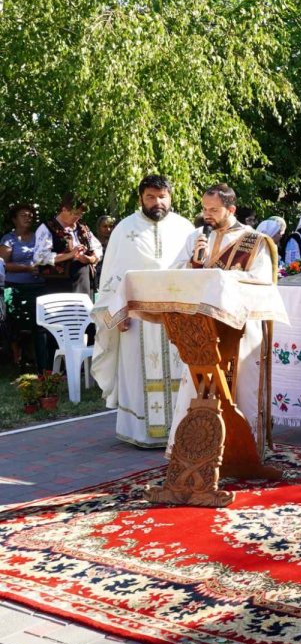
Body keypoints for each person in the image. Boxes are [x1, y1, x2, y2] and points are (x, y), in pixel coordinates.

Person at [167, 184, 275, 454]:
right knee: (199, 387)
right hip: (202, 328)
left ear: (231, 209)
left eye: (214, 210)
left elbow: (260, 281)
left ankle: (243, 450)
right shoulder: (196, 237)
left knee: (241, 389)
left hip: (239, 329)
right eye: (204, 209)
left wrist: (221, 278)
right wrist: (193, 263)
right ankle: (194, 449)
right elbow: (174, 273)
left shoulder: (254, 241)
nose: (207, 215)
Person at [91, 175, 195, 447]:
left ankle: (181, 431)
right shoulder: (125, 229)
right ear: (141, 198)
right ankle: (140, 432)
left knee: (179, 370)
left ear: (170, 197)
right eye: (150, 196)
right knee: (138, 374)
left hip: (176, 315)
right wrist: (117, 313)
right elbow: (111, 277)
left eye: (162, 196)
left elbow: (195, 272)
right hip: (136, 317)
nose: (157, 202)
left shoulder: (185, 228)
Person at [0, 204, 44, 369]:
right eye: (23, 215)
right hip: (16, 287)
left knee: (38, 324)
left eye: (30, 215)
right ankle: (17, 359)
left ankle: (35, 358)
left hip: (39, 286)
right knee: (16, 324)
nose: (28, 217)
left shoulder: (38, 237)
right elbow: (2, 264)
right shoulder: (8, 239)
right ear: (14, 219)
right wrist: (27, 268)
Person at [33, 192, 103, 295]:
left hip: (84, 285)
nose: (77, 217)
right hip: (59, 287)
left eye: (80, 214)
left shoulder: (82, 228)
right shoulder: (47, 228)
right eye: (75, 213)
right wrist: (70, 255)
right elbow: (39, 257)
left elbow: (97, 248)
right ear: (64, 209)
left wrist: (90, 259)